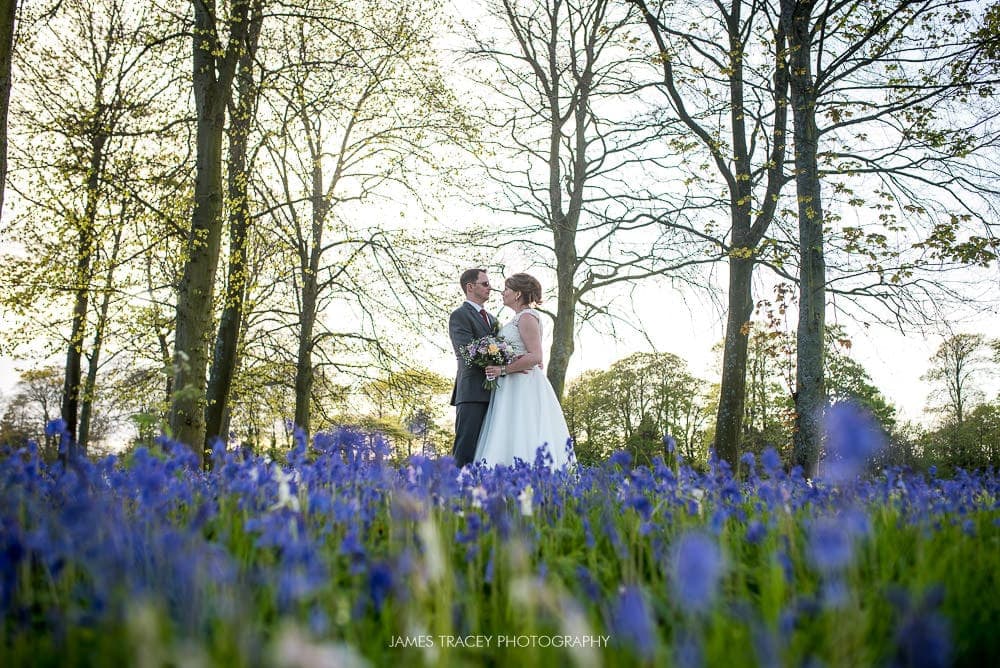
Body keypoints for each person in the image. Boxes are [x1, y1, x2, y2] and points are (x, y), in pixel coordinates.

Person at [475, 273, 574, 470]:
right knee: (509, 429)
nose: (502, 293)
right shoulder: (518, 318)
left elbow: (536, 356)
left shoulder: (527, 316)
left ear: (518, 293)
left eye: (507, 289)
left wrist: (502, 369)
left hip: (522, 384)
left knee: (523, 427)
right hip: (512, 383)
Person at [449, 268, 497, 467]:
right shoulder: (459, 315)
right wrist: (498, 358)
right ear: (470, 287)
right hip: (472, 392)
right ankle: (455, 494)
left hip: (497, 393)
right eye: (485, 284)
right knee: (466, 448)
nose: (490, 288)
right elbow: (466, 351)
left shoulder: (493, 319)